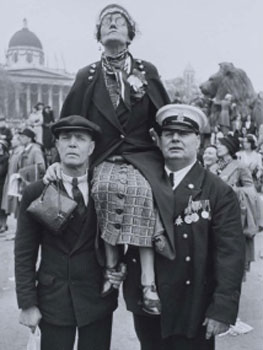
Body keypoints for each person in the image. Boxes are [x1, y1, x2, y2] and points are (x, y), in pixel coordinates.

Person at [46, 3, 174, 315]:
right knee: (101, 189)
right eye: (107, 22)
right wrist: (57, 161)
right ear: (99, 36)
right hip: (103, 156)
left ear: (131, 35)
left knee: (144, 193)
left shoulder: (148, 71)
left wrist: (179, 153)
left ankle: (148, 281)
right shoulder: (86, 76)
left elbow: (165, 119)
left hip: (143, 156)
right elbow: (68, 122)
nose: (113, 25)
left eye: (119, 22)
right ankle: (112, 268)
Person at [123, 104, 245, 350]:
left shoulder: (218, 191)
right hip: (150, 305)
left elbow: (230, 255)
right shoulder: (141, 181)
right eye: (169, 133)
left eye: (184, 133)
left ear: (198, 141)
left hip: (194, 307)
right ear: (158, 140)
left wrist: (222, 309)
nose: (176, 139)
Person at [15, 115, 126, 350]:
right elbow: (24, 252)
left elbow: (122, 234)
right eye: (66, 138)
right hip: (53, 299)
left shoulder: (107, 189)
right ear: (56, 145)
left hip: (97, 298)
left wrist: (121, 266)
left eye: (81, 138)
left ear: (92, 147)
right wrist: (27, 303)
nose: (73, 143)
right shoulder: (37, 192)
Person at [215, 134, 261, 275]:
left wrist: (235, 190)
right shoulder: (215, 165)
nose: (218, 147)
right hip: (215, 214)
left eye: (221, 144)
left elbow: (251, 191)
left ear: (229, 148)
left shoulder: (239, 166)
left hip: (233, 216)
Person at [0, 140, 9, 233]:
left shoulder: (5, 157)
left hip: (2, 183)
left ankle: (3, 224)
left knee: (2, 205)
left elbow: (2, 171)